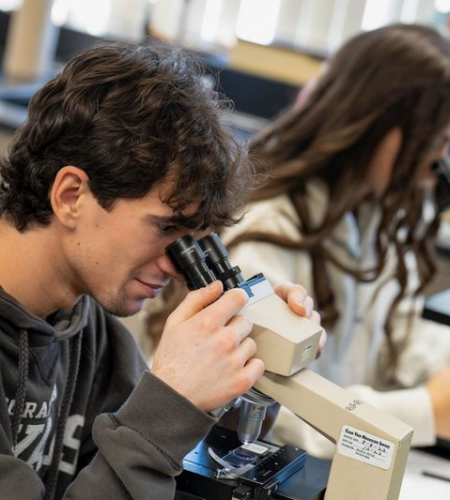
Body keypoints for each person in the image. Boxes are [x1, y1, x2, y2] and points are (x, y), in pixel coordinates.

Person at [0, 42, 322, 499]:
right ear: (72, 195)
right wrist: (171, 403)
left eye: (188, 239)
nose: (175, 267)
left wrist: (249, 369)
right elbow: (145, 444)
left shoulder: (90, 332)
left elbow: (159, 467)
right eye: (165, 227)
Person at [145, 23, 450, 458]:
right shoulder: (267, 234)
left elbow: (388, 340)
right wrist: (424, 411)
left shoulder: (383, 214)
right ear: (377, 126)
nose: (438, 162)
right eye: (435, 141)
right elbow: (269, 420)